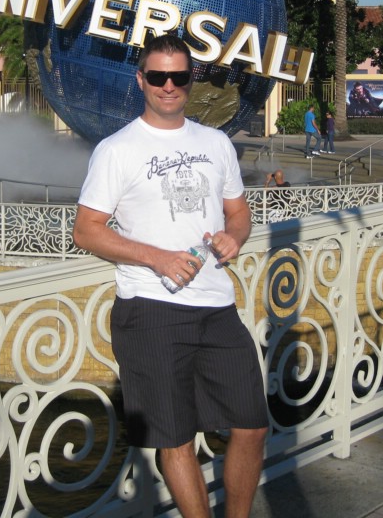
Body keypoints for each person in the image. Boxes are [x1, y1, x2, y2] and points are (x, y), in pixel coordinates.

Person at [72, 33, 268, 518]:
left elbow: (238, 212)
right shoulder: (117, 150)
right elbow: (86, 230)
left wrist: (235, 237)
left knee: (252, 425)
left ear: (190, 79)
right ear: (141, 79)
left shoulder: (216, 143)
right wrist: (156, 258)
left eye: (178, 76)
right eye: (158, 76)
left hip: (217, 307)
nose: (168, 86)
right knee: (175, 439)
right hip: (151, 311)